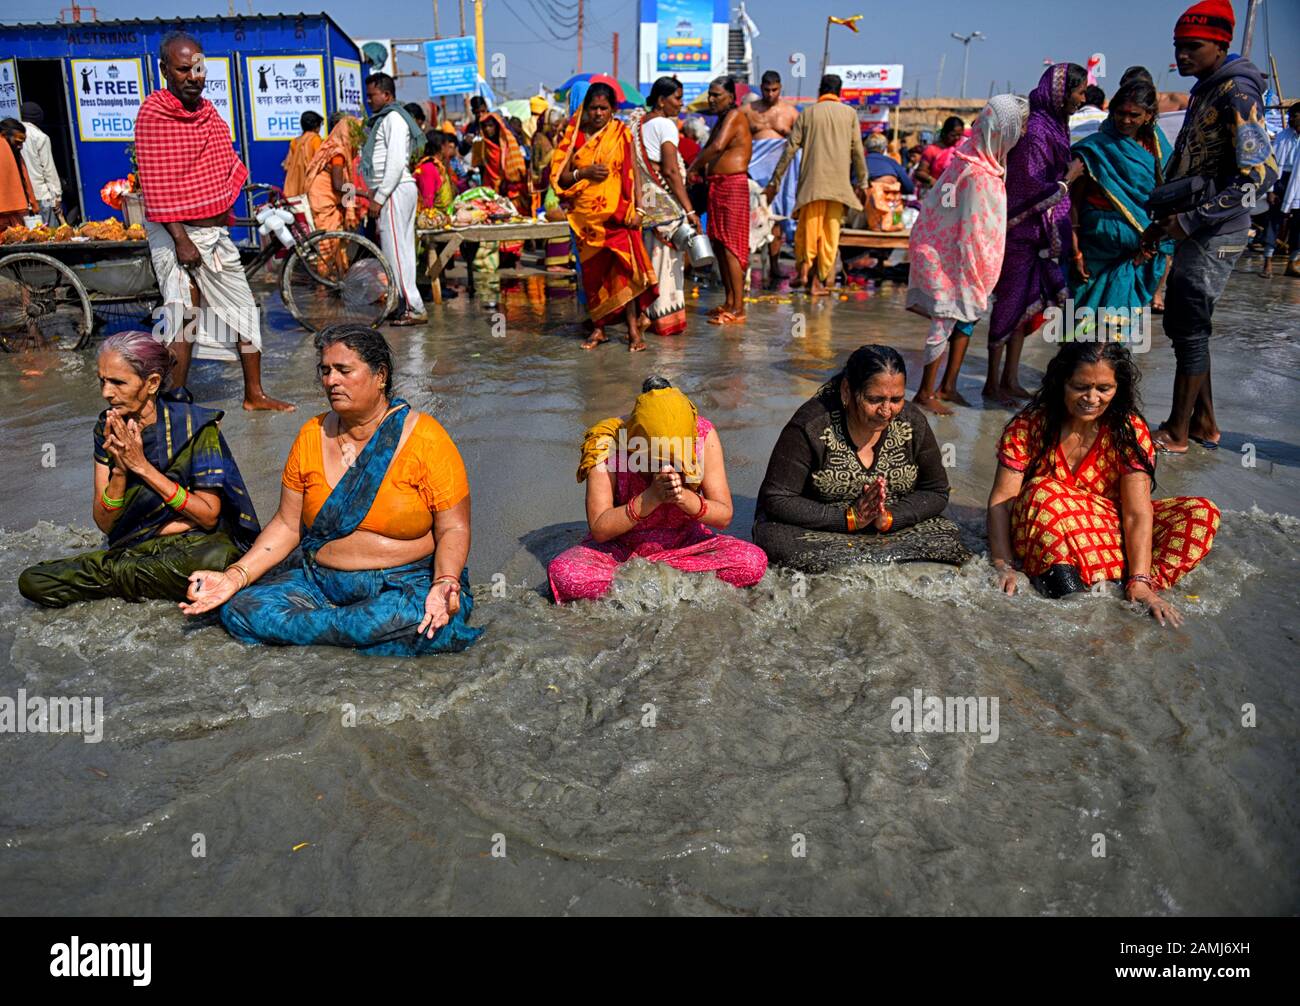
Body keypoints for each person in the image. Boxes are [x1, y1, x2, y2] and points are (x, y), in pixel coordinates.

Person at [181, 325, 483, 655]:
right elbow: (286, 524)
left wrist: (443, 583)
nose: (331, 381)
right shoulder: (312, 435)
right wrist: (234, 577)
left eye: (343, 370)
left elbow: (453, 526)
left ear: (380, 376)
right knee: (241, 608)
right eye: (325, 371)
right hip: (320, 582)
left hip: (402, 583)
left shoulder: (426, 439)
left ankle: (324, 631)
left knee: (417, 617)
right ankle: (353, 633)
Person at [18, 331, 260, 608]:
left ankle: (116, 580)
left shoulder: (195, 426)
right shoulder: (106, 427)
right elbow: (106, 523)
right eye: (102, 381)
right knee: (33, 580)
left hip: (193, 546)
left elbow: (206, 516)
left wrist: (142, 468)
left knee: (218, 559)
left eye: (118, 382)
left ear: (152, 382)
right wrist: (120, 471)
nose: (106, 393)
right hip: (135, 549)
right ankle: (141, 581)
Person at [986, 341, 1219, 626]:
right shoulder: (1030, 425)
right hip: (1045, 530)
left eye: (1103, 389)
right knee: (1044, 491)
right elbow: (1001, 502)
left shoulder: (1128, 430)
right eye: (1080, 387)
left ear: (1117, 389)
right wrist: (1003, 565)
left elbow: (1135, 513)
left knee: (1201, 513)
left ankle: (1133, 584)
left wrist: (1141, 580)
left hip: (1108, 530)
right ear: (1062, 384)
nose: (1091, 398)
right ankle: (1077, 585)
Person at [1140, 0, 1277, 453]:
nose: (1182, 55)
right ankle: (1204, 423)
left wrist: (1193, 218)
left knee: (1190, 324)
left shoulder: (1237, 91)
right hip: (1194, 226)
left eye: (1192, 47)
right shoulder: (1206, 88)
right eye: (1178, 46)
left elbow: (1260, 174)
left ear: (1220, 45)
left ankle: (1177, 433)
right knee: (1187, 324)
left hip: (1216, 230)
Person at [134, 31, 292, 411]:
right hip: (175, 234)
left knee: (243, 308)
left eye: (198, 68)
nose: (193, 76)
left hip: (212, 231)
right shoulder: (153, 115)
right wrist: (181, 240)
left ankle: (254, 394)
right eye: (183, 69)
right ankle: (174, 395)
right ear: (165, 71)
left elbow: (223, 163)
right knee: (182, 315)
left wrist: (221, 212)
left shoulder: (207, 113)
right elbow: (156, 186)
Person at [548, 377, 767, 602]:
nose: (666, 464)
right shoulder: (607, 440)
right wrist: (650, 498)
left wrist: (683, 497)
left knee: (752, 561)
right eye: (656, 457)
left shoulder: (702, 434)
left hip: (686, 544)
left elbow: (723, 516)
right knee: (567, 575)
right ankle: (677, 586)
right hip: (620, 551)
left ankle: (645, 588)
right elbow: (600, 529)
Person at [753, 345, 970, 572]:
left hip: (891, 527)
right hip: (821, 529)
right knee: (779, 542)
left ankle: (869, 560)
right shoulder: (812, 425)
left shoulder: (912, 422)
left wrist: (889, 518)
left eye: (896, 399)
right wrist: (850, 518)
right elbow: (777, 499)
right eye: (875, 399)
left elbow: (936, 490)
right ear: (847, 390)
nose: (886, 411)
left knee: (949, 539)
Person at [906, 94, 1030, 416]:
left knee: (964, 320)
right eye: (1021, 126)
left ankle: (948, 386)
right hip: (948, 254)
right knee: (945, 319)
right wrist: (980, 273)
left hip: (958, 253)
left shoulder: (982, 163)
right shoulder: (975, 173)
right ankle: (925, 392)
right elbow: (972, 231)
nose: (1025, 132)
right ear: (1003, 131)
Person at [986, 62, 1088, 405]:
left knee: (1025, 311)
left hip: (1042, 236)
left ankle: (1010, 378)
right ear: (1061, 92)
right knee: (1008, 307)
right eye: (1079, 91)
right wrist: (1069, 178)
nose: (1082, 98)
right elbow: (1029, 185)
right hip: (1022, 232)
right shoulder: (1037, 131)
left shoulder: (1057, 127)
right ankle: (991, 382)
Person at [552, 82, 657, 351]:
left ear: (612, 110)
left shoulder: (621, 133)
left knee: (624, 270)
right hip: (585, 219)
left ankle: (634, 332)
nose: (598, 113)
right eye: (594, 108)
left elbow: (634, 171)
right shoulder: (574, 136)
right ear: (585, 109)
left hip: (618, 214)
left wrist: (639, 209)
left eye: (604, 108)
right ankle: (599, 329)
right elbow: (560, 178)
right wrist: (583, 173)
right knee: (593, 275)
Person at [1068, 76, 1173, 336]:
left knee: (1116, 323)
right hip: (1096, 247)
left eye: (1134, 115)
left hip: (1138, 249)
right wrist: (1075, 250)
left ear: (1148, 115)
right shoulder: (1094, 148)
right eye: (1120, 113)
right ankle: (1075, 371)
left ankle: (1107, 372)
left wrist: (1155, 241)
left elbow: (1169, 195)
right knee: (1082, 318)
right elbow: (1074, 200)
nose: (1126, 120)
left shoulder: (1159, 150)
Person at [764, 74, 870, 297]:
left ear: (820, 90)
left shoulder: (808, 114)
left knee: (808, 231)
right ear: (839, 91)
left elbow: (790, 150)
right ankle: (816, 283)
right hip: (838, 187)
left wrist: (775, 181)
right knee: (829, 234)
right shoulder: (850, 114)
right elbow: (858, 151)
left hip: (812, 185)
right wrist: (863, 182)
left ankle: (803, 271)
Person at [629, 77, 699, 338]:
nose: (681, 104)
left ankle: (643, 313)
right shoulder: (665, 125)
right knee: (666, 263)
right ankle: (662, 320)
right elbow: (670, 171)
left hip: (644, 205)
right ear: (661, 100)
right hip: (665, 204)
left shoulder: (638, 125)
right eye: (677, 98)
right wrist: (690, 211)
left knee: (649, 258)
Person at [362, 73, 427, 326]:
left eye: (372, 95)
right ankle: (405, 303)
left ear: (387, 95)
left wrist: (379, 196)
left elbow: (396, 163)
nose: (369, 100)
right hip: (395, 190)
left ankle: (413, 307)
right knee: (402, 252)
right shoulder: (385, 120)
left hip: (395, 190)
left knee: (396, 252)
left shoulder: (394, 119)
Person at [688, 76, 753, 324]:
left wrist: (693, 167)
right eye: (710, 94)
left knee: (731, 247)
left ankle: (738, 307)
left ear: (731, 97)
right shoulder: (721, 119)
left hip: (732, 186)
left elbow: (716, 147)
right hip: (718, 186)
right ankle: (729, 300)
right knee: (719, 244)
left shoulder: (735, 116)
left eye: (717, 95)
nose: (711, 99)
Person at [745, 70, 801, 287]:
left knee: (776, 218)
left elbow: (800, 141)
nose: (770, 94)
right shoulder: (748, 111)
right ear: (761, 88)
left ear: (780, 88)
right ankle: (748, 264)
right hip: (753, 172)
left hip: (781, 174)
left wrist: (786, 136)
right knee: (752, 219)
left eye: (774, 90)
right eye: (767, 90)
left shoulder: (790, 112)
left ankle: (775, 264)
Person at [303, 112, 361, 278]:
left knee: (336, 242)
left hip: (330, 198)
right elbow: (337, 184)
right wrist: (360, 193)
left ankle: (337, 278)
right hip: (323, 201)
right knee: (328, 245)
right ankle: (324, 283)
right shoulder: (338, 153)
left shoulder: (337, 148)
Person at [1259, 103, 1298, 276]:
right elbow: (1271, 164)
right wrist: (1270, 189)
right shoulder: (1282, 137)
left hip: (1299, 184)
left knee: (1298, 224)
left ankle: (1293, 263)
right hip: (1281, 180)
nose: (1293, 120)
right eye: (1292, 117)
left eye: (1296, 117)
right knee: (1273, 219)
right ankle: (1267, 261)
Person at [19, 102, 61, 227]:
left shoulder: (10, 135)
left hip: (22, 197)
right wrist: (56, 196)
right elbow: (49, 170)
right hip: (41, 195)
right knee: (50, 234)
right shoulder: (41, 137)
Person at [0, 118, 37, 228]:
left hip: (17, 218)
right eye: (17, 142)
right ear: (4, 135)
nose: (20, 146)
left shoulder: (16, 154)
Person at [281, 110, 323, 198]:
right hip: (309, 185)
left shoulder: (295, 141)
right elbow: (319, 162)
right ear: (316, 127)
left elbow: (286, 165)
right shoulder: (315, 139)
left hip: (293, 186)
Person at [915, 116, 965, 190]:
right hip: (937, 191)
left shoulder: (963, 147)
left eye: (959, 135)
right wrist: (936, 183)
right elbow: (920, 172)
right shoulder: (932, 150)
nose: (957, 138)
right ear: (944, 133)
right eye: (953, 135)